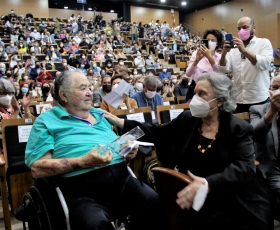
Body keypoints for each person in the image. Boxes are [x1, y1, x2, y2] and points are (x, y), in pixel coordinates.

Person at [106, 72, 274, 230]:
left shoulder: (238, 128)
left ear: (220, 100)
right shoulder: (188, 119)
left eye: (202, 94)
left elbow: (245, 167)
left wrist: (208, 184)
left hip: (231, 195)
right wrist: (120, 122)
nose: (195, 99)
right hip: (192, 193)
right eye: (195, 93)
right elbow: (157, 132)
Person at [25, 70, 167, 230]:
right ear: (63, 95)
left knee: (155, 202)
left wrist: (127, 152)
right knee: (95, 224)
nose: (89, 93)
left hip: (123, 180)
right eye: (82, 88)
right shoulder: (45, 122)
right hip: (81, 190)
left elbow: (113, 148)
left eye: (90, 88)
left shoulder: (101, 115)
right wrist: (83, 161)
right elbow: (37, 168)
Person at [219, 16, 273, 113]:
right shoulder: (234, 48)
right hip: (238, 99)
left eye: (245, 27)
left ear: (254, 28)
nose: (241, 31)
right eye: (239, 28)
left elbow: (264, 64)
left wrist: (244, 51)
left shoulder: (263, 43)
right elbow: (223, 69)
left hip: (258, 99)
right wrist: (224, 53)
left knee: (259, 128)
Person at [249, 75, 280, 205]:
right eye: (276, 88)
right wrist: (272, 111)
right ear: (269, 90)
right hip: (273, 170)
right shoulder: (257, 110)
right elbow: (254, 134)